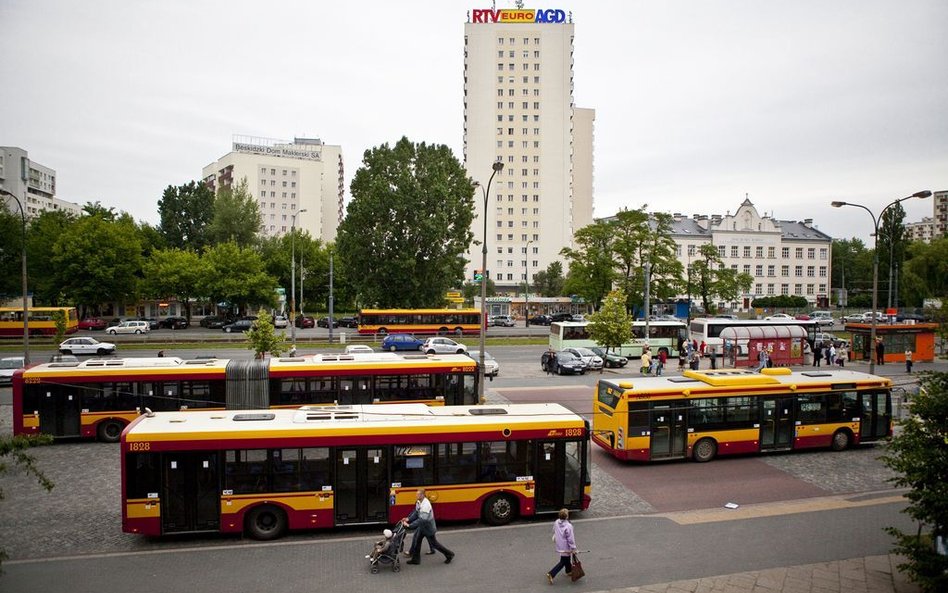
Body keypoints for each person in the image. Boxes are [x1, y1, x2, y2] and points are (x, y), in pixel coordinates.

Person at [402, 489, 454, 565]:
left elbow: (422, 519)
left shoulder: (426, 505)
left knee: (434, 544)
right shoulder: (419, 502)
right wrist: (408, 519)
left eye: (418, 494)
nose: (416, 496)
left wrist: (410, 525)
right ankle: (415, 560)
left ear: (422, 495)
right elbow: (416, 512)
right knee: (417, 541)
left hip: (428, 528)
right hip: (423, 527)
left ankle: (449, 554)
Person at [546, 508, 578, 585]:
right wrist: (573, 548)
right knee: (563, 561)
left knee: (566, 559)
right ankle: (551, 573)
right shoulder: (568, 526)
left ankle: (569, 571)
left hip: (559, 544)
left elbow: (554, 530)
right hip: (566, 546)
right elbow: (570, 539)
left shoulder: (557, 522)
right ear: (567, 516)